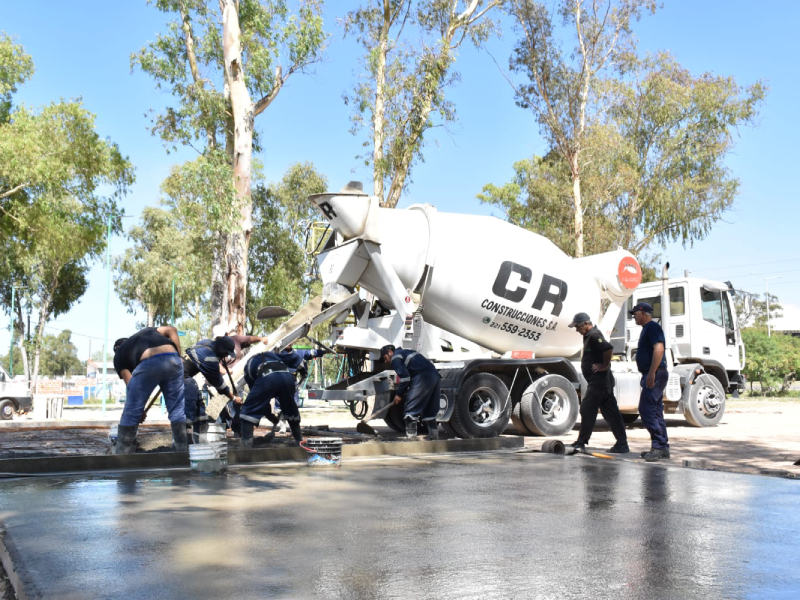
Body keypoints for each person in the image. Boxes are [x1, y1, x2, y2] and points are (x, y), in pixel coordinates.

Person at [112, 326, 186, 454]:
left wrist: (138, 411)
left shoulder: (119, 356)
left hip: (150, 360)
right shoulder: (147, 332)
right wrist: (178, 356)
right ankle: (181, 451)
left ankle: (122, 453)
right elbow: (172, 330)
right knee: (177, 409)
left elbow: (131, 389)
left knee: (131, 411)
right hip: (173, 359)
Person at [567, 312, 629, 454]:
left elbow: (608, 349)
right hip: (603, 383)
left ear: (585, 324)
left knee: (587, 409)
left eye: (577, 326)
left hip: (599, 383)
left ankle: (581, 442)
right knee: (612, 414)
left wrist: (604, 365)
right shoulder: (589, 335)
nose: (576, 329)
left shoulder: (594, 335)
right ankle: (622, 444)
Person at [630, 301, 670, 461]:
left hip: (655, 373)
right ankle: (661, 447)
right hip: (653, 373)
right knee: (655, 411)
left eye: (635, 313)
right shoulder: (647, 329)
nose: (633, 316)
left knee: (646, 410)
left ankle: (660, 446)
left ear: (644, 313)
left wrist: (652, 373)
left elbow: (659, 349)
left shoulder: (652, 327)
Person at [182, 337, 242, 438]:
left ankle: (199, 441)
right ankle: (180, 441)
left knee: (200, 412)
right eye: (226, 353)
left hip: (182, 374)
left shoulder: (207, 343)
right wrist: (234, 398)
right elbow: (221, 387)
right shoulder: (209, 359)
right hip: (180, 377)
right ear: (221, 349)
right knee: (189, 410)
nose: (226, 356)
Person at [238, 351, 299, 448]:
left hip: (268, 378)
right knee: (291, 409)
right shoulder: (275, 357)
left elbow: (258, 401)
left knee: (248, 411)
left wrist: (266, 415)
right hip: (288, 378)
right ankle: (299, 441)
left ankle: (246, 444)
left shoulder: (248, 367)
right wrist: (272, 416)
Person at [380, 345, 441, 440]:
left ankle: (411, 440)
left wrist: (399, 394)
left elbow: (405, 378)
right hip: (435, 376)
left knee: (411, 409)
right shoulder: (407, 351)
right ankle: (434, 438)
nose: (386, 361)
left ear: (390, 352)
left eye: (385, 358)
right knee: (430, 409)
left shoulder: (395, 357)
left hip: (422, 377)